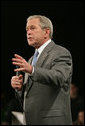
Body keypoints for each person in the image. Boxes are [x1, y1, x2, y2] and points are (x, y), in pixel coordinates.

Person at [11, 15, 73, 125]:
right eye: (27, 29)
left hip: (52, 121)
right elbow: (30, 96)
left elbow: (59, 77)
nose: (28, 32)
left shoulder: (60, 52)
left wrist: (32, 70)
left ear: (46, 32)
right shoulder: (30, 60)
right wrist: (20, 88)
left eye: (32, 28)